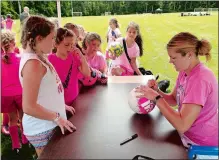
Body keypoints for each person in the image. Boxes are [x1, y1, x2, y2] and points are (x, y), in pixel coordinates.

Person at [135, 32, 218, 148]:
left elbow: (182, 124)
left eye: (173, 57)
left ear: (189, 55)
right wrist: (157, 91)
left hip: (200, 145)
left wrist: (156, 98)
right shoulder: (185, 71)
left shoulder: (200, 79)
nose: (170, 61)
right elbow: (174, 99)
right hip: (187, 137)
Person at [19, 15, 76, 157]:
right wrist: (57, 117)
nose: (53, 42)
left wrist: (60, 106)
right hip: (42, 128)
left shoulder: (38, 56)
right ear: (39, 39)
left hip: (49, 123)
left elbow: (45, 91)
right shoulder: (32, 64)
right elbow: (29, 107)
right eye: (51, 38)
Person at [48, 27, 90, 106]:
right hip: (58, 103)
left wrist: (82, 58)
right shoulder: (50, 59)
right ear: (56, 44)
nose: (70, 48)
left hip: (74, 100)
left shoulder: (74, 57)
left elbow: (87, 73)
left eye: (72, 45)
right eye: (66, 45)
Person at [1, 30, 28, 152]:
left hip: (6, 95)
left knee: (12, 119)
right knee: (23, 117)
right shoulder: (20, 58)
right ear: (13, 42)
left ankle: (15, 145)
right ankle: (25, 140)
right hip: (20, 93)